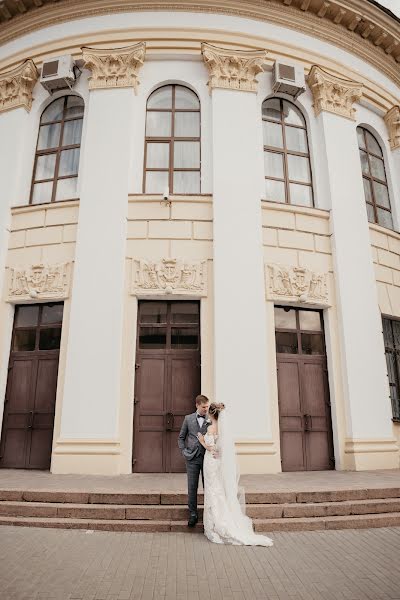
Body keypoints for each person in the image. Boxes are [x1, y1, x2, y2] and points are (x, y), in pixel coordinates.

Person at [197, 402, 273, 547]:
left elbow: (211, 447)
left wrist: (201, 440)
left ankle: (214, 524)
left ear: (212, 413)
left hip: (210, 461)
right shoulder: (221, 428)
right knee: (217, 490)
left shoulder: (212, 427)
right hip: (216, 462)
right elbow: (221, 448)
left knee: (213, 490)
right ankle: (217, 520)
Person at [178, 394, 210, 527]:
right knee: (192, 487)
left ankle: (209, 514)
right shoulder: (188, 418)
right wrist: (184, 451)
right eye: (204, 407)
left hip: (207, 458)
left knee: (208, 486)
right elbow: (181, 437)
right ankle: (193, 514)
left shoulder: (211, 419)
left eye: (207, 407)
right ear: (197, 405)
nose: (206, 410)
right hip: (191, 458)